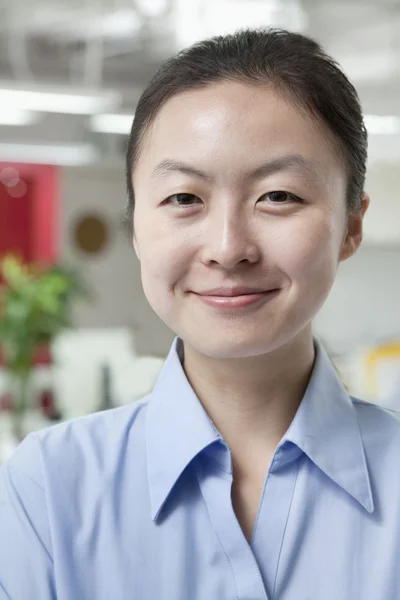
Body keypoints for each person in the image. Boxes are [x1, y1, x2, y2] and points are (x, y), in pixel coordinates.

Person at [1, 27, 399, 600]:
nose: (227, 246)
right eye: (185, 198)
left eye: (278, 195)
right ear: (136, 225)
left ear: (351, 225)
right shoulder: (49, 488)